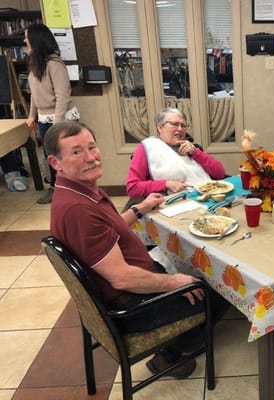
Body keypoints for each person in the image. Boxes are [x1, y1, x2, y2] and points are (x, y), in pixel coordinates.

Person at [45, 121, 229, 379]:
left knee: (193, 270)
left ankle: (176, 337)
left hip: (131, 285)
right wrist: (174, 282)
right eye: (77, 152)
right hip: (131, 304)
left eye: (92, 147)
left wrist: (139, 209)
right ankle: (171, 355)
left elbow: (108, 228)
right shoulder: (77, 211)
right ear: (56, 163)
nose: (91, 158)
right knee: (220, 292)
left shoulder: (78, 193)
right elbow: (121, 277)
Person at [25, 23, 79, 204]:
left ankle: (70, 189)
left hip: (60, 119)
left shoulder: (55, 64)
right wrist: (32, 115)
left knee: (65, 155)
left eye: (27, 37)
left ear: (36, 40)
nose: (25, 40)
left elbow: (62, 96)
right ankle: (55, 187)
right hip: (43, 118)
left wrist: (57, 124)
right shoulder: (35, 65)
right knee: (50, 156)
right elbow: (34, 93)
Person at [126, 107, 226, 198]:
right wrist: (166, 184)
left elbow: (220, 174)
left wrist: (196, 153)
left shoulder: (190, 148)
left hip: (209, 196)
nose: (180, 129)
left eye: (183, 125)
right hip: (176, 203)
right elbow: (133, 188)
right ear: (160, 127)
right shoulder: (148, 147)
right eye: (174, 124)